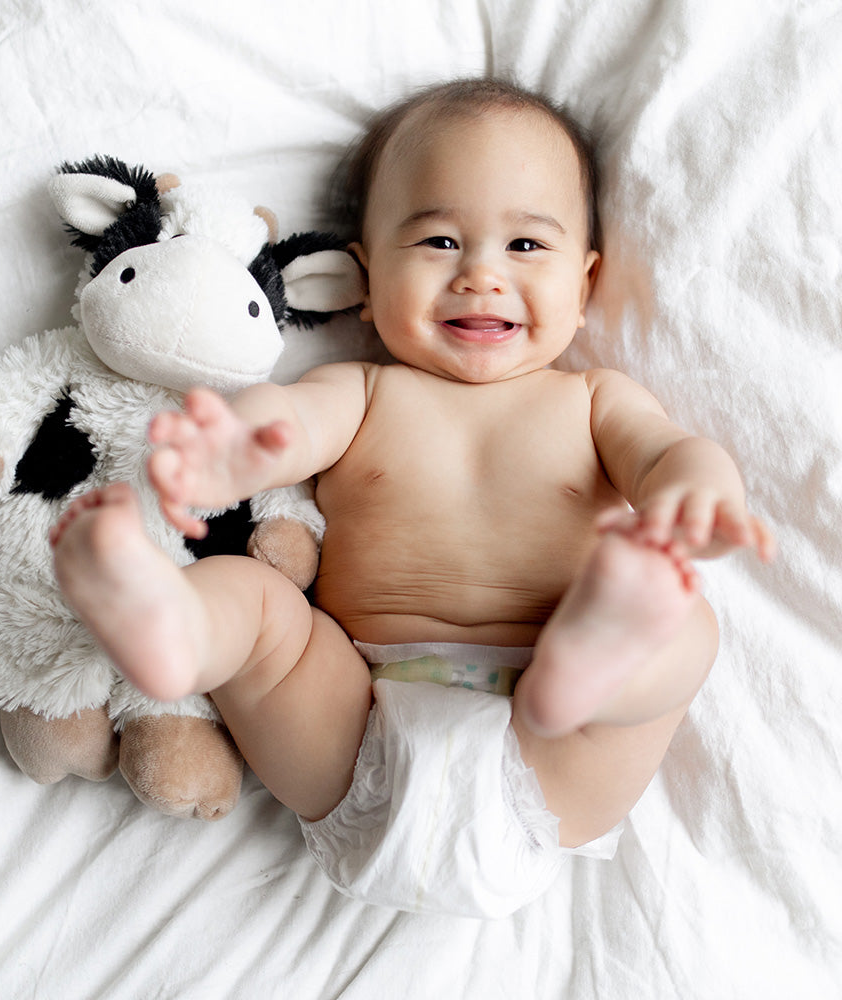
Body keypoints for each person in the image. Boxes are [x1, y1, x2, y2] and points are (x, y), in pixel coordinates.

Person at [50, 78, 775, 917]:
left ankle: (596, 661)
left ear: (585, 286)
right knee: (258, 608)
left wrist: (695, 492)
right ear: (366, 277)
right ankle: (174, 630)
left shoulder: (594, 401)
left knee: (683, 625)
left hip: (548, 748)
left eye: (526, 246)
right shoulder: (360, 390)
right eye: (438, 240)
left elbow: (668, 454)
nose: (481, 276)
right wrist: (231, 451)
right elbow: (287, 423)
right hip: (355, 720)